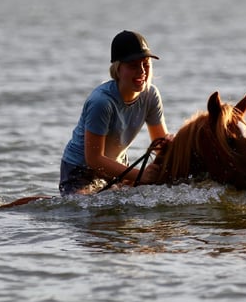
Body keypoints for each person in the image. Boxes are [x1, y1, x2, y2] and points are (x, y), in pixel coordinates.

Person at [59, 30, 171, 196]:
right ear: (118, 70)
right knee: (87, 207)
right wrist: (141, 176)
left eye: (146, 64)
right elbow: (94, 159)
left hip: (116, 166)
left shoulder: (151, 95)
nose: (142, 71)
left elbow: (160, 145)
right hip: (80, 170)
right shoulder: (102, 102)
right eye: (133, 65)